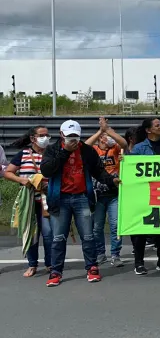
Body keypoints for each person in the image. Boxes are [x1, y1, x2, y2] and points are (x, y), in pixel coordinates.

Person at [41, 120, 120, 287]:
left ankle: (92, 267)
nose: (73, 140)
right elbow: (47, 170)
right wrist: (64, 153)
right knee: (58, 237)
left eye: (75, 136)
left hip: (81, 197)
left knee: (88, 235)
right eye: (69, 137)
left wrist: (112, 180)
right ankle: (56, 271)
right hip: (59, 198)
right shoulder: (52, 149)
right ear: (61, 135)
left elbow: (98, 171)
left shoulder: (86, 150)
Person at [3, 126, 52, 277]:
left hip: (46, 200)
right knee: (31, 233)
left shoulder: (52, 154)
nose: (45, 138)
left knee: (49, 233)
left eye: (47, 135)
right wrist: (21, 180)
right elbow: (7, 172)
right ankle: (32, 264)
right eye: (42, 135)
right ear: (33, 138)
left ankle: (50, 264)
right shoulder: (23, 154)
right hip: (28, 201)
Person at [129, 118, 160, 274]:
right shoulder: (139, 148)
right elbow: (132, 170)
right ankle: (139, 263)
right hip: (144, 193)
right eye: (157, 125)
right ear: (148, 130)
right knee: (141, 229)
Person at [84, 117, 128, 267]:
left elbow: (124, 143)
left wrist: (108, 129)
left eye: (112, 135)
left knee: (116, 225)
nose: (110, 137)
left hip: (114, 193)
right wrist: (100, 131)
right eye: (107, 136)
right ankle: (100, 253)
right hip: (97, 194)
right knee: (97, 226)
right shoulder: (94, 150)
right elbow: (84, 146)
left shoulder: (116, 149)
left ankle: (115, 254)